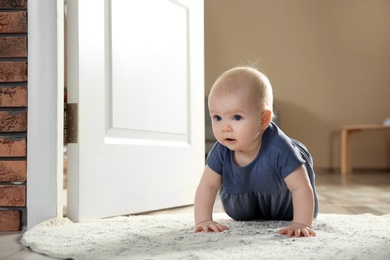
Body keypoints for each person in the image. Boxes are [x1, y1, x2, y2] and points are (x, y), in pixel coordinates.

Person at [194, 66, 318, 237]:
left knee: (298, 161)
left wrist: (301, 223)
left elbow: (301, 188)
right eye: (217, 117)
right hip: (244, 208)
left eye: (236, 117)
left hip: (286, 208)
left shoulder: (280, 149)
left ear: (264, 119)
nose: (225, 128)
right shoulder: (222, 150)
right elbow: (207, 186)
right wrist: (203, 221)